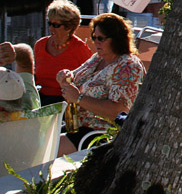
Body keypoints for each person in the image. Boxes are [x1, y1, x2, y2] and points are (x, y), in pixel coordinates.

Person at [57, 13, 145, 155]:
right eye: (94, 37)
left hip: (99, 134)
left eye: (101, 38)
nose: (95, 42)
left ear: (116, 39)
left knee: (43, 151)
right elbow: (75, 75)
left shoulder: (127, 66)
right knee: (39, 138)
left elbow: (120, 111)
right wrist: (65, 76)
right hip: (76, 125)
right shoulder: (98, 57)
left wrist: (79, 99)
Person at [33, 0, 93, 105]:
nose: (51, 28)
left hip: (66, 100)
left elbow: (90, 79)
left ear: (69, 27)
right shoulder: (40, 45)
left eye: (56, 25)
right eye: (49, 23)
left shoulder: (80, 49)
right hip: (41, 97)